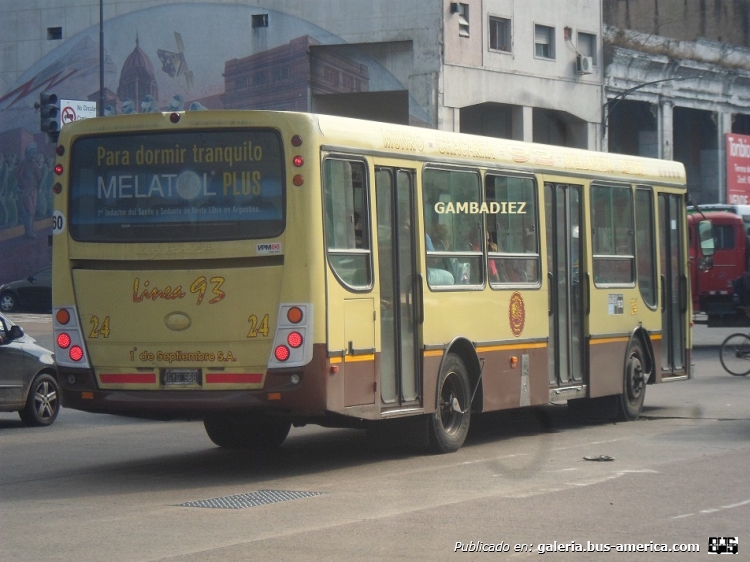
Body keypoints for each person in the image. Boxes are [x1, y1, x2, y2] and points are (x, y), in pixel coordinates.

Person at [14, 143, 41, 238]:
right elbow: (17, 174)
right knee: (29, 211)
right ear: (27, 153)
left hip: (34, 190)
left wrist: (36, 169)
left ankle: (30, 230)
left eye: (34, 153)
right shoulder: (23, 163)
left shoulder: (35, 164)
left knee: (32, 212)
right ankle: (28, 232)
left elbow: (38, 177)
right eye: (31, 153)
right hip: (25, 191)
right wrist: (24, 183)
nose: (33, 155)